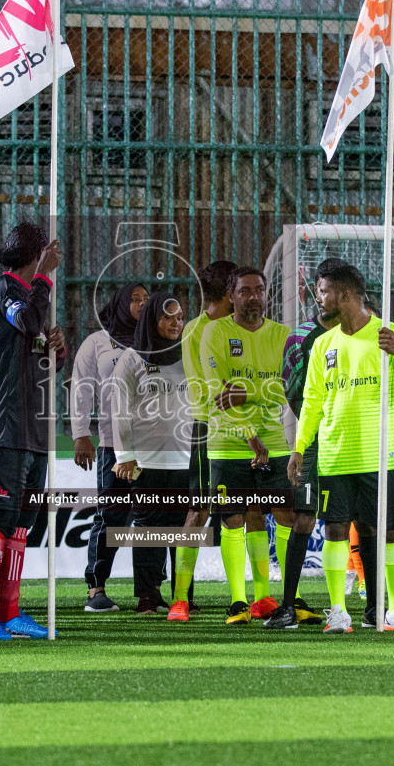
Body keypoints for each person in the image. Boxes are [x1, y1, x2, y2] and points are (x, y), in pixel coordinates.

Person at [289, 263, 394, 634]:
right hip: (334, 456)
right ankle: (338, 611)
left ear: (345, 294)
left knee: (390, 532)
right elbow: (312, 400)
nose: (318, 298)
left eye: (323, 291)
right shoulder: (322, 344)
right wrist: (300, 447)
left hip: (380, 457)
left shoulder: (390, 333)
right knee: (335, 531)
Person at [0, 220, 66, 640]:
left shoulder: (32, 296)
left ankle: (9, 611)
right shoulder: (4, 289)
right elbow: (27, 321)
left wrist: (54, 351)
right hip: (6, 426)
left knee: (22, 524)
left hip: (35, 429)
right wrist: (44, 277)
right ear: (35, 253)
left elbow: (34, 347)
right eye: (45, 251)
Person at [200, 266, 300, 625]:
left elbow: (285, 390)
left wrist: (250, 392)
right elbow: (218, 393)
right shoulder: (215, 332)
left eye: (259, 290)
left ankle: (285, 597)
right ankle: (239, 601)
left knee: (287, 515)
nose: (253, 296)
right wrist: (248, 434)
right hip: (228, 444)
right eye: (244, 290)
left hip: (274, 440)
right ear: (231, 295)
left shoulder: (283, 335)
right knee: (235, 519)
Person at [265, 258, 352, 630]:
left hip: (357, 443)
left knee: (351, 522)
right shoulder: (300, 337)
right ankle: (288, 606)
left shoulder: (364, 334)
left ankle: (349, 607)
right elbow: (293, 393)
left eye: (327, 289)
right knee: (304, 517)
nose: (320, 296)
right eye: (318, 289)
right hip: (317, 444)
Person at [71, 282, 149, 612]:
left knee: (152, 520)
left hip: (153, 447)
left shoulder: (156, 342)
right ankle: (96, 589)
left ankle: (151, 591)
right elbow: (81, 388)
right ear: (119, 304)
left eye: (146, 299)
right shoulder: (98, 343)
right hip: (111, 446)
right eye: (134, 299)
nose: (142, 304)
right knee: (112, 518)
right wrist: (80, 434)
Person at [109, 291, 189, 613]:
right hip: (146, 459)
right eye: (168, 316)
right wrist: (124, 455)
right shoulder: (132, 358)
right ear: (152, 318)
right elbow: (119, 409)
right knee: (148, 529)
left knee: (184, 530)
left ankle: (184, 595)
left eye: (180, 316)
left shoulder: (190, 354)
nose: (176, 322)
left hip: (186, 458)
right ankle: (148, 594)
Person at [168, 259, 235, 621]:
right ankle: (179, 597)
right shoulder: (198, 331)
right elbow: (216, 386)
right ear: (228, 293)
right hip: (210, 428)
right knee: (200, 510)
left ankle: (249, 598)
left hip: (239, 428)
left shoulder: (230, 327)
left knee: (247, 510)